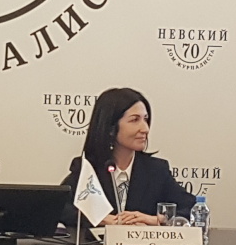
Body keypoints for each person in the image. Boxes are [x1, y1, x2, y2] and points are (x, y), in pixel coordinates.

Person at [61, 87, 195, 227]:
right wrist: (100, 219)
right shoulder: (88, 169)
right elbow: (59, 208)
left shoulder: (156, 170)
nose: (145, 129)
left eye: (145, 119)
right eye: (134, 120)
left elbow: (192, 208)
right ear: (111, 128)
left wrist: (155, 219)